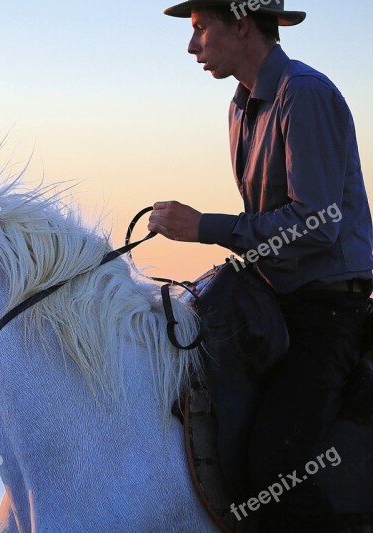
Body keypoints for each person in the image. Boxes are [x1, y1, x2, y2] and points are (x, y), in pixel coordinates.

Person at [152, 0, 373, 530]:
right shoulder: (242, 104)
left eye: (201, 29)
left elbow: (317, 225)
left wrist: (204, 227)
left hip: (326, 312)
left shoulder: (305, 94)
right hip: (275, 302)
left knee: (274, 473)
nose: (191, 45)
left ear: (243, 22)